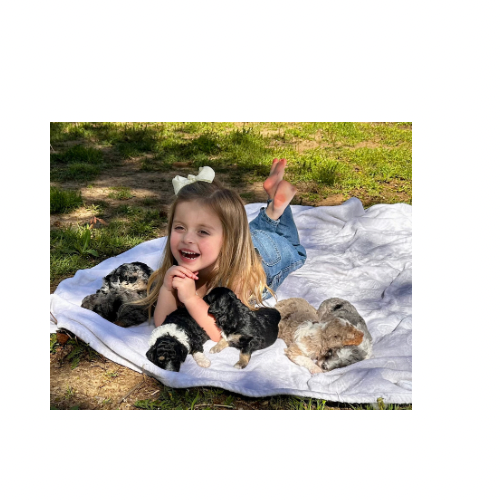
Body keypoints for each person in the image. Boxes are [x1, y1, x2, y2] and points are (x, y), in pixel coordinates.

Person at [140, 158, 306, 342]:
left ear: (229, 241)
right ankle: (273, 209)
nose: (187, 239)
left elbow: (222, 332)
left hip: (268, 253)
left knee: (296, 250)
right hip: (243, 238)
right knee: (251, 230)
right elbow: (165, 325)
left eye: (202, 232)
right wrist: (166, 288)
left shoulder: (236, 279)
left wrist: (190, 299)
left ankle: (278, 206)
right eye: (180, 228)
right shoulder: (182, 266)